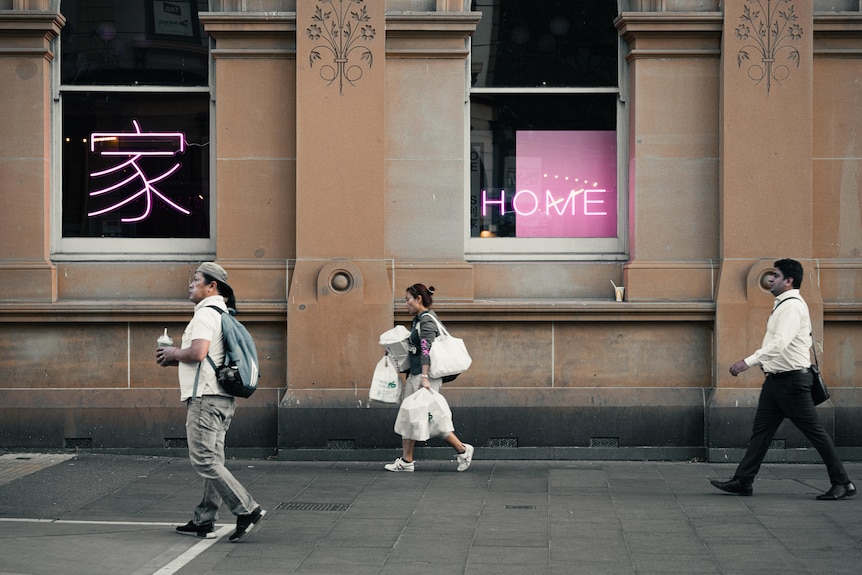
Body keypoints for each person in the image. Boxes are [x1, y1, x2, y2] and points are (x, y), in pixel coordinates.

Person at [711, 259, 855, 500]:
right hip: (777, 382)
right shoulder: (784, 304)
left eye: (776, 276)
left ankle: (843, 483)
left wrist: (748, 361)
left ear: (789, 281)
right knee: (761, 433)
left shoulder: (791, 307)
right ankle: (743, 481)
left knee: (815, 433)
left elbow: (780, 343)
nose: (771, 279)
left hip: (792, 384)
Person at [156, 262, 267, 540]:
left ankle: (247, 509)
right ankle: (205, 519)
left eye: (196, 280)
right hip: (222, 398)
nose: (191, 285)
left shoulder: (206, 314)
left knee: (204, 459)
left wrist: (172, 353)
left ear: (211, 286)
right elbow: (205, 356)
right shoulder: (221, 313)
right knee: (214, 459)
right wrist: (177, 358)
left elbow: (198, 352)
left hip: (205, 399)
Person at [384, 283, 474, 472]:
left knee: (427, 417)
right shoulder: (418, 320)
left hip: (425, 377)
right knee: (413, 415)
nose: (405, 303)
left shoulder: (426, 321)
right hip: (416, 374)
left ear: (418, 299)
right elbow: (416, 349)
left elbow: (426, 350)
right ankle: (407, 460)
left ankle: (462, 449)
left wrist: (424, 377)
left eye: (407, 299)